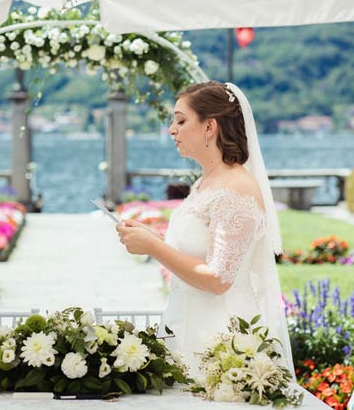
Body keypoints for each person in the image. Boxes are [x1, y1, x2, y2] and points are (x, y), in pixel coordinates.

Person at [116, 81, 294, 379]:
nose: (172, 129)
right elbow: (199, 252)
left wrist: (152, 246)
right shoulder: (204, 183)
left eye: (181, 120)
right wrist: (149, 238)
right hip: (185, 322)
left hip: (222, 338)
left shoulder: (236, 189)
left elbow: (219, 278)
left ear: (210, 126)